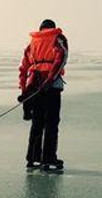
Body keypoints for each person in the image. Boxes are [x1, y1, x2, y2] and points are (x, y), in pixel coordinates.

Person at [18, 19, 68, 172]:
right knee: (51, 123)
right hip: (50, 87)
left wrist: (24, 90)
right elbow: (61, 59)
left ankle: (33, 159)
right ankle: (48, 159)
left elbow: (23, 67)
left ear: (40, 29)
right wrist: (50, 79)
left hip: (34, 86)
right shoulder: (58, 38)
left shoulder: (32, 43)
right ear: (52, 28)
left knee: (37, 122)